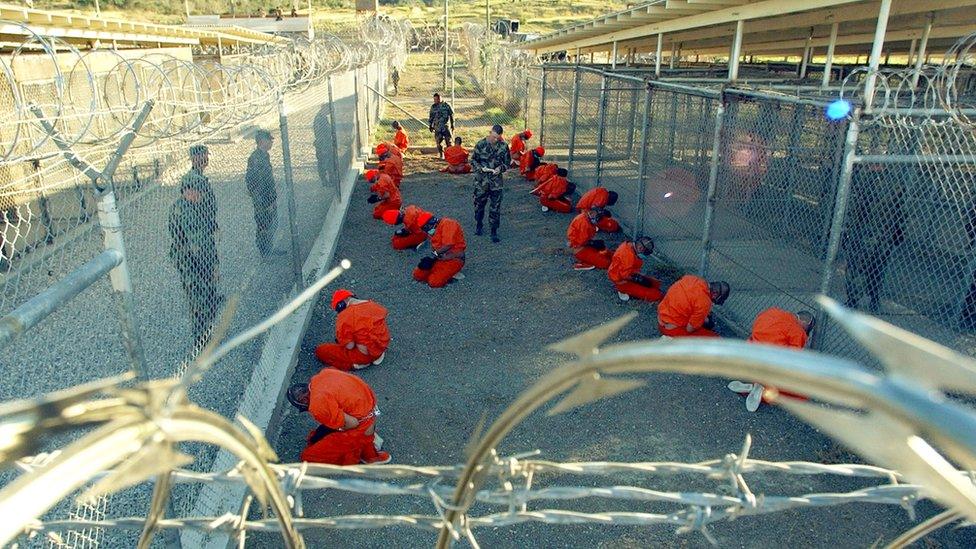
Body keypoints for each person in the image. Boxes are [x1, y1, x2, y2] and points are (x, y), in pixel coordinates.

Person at [168, 145, 223, 349]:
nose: (201, 197)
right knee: (199, 300)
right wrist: (212, 268)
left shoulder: (190, 206)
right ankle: (202, 341)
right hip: (193, 261)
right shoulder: (187, 212)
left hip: (195, 258)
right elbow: (199, 245)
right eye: (197, 193)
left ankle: (205, 333)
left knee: (203, 297)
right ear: (188, 191)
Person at [287, 369, 391, 465]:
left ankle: (360, 449)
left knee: (308, 456)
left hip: (360, 425)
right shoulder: (324, 375)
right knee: (317, 436)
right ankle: (367, 445)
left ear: (304, 402)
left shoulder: (317, 405)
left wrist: (337, 429)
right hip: (369, 413)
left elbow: (353, 423)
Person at [842, 167, 906, 313]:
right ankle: (871, 298)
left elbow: (856, 209)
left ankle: (856, 298)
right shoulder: (894, 182)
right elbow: (900, 210)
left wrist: (848, 231)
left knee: (861, 267)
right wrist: (898, 231)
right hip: (880, 234)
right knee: (876, 268)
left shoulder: (868, 181)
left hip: (868, 233)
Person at [727, 309, 815, 412]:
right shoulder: (798, 332)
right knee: (799, 393)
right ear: (805, 323)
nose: (806, 332)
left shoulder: (772, 311)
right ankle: (761, 389)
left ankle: (755, 384)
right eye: (807, 329)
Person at [314, 289, 391, 371]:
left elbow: (350, 346)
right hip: (381, 346)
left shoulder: (345, 316)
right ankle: (377, 355)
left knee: (321, 350)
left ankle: (357, 364)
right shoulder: (373, 304)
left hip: (365, 355)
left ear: (341, 305)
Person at [470, 125, 512, 243]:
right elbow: (473, 160)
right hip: (481, 182)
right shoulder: (481, 144)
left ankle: (494, 231)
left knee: (495, 208)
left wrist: (501, 168)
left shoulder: (503, 146)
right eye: (493, 137)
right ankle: (479, 224)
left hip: (496, 183)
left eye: (497, 138)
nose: (495, 140)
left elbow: (507, 162)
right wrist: (480, 168)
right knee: (479, 206)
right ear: (490, 133)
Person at [657, 275, 730, 338]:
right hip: (670, 330)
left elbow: (689, 301)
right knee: (715, 338)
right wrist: (703, 322)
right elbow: (689, 329)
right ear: (715, 294)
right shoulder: (705, 302)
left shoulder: (692, 279)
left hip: (661, 318)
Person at [245, 129, 278, 257]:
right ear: (263, 141)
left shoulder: (264, 156)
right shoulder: (255, 158)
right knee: (263, 224)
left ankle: (269, 248)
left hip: (268, 197)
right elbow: (254, 182)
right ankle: (264, 252)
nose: (271, 143)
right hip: (262, 199)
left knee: (270, 223)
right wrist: (265, 201)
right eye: (269, 140)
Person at [412, 214, 466, 288]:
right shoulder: (434, 228)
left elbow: (448, 245)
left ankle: (450, 275)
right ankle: (445, 273)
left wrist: (434, 254)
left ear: (430, 223)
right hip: (440, 257)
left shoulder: (448, 224)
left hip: (454, 257)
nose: (426, 231)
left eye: (425, 228)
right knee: (417, 275)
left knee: (434, 282)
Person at [608, 237, 663, 302]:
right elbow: (624, 276)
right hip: (621, 281)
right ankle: (622, 290)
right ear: (640, 248)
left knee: (654, 283)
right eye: (644, 252)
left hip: (624, 273)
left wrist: (639, 277)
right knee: (657, 295)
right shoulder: (629, 258)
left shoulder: (628, 245)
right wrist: (638, 280)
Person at [428, 93, 455, 158]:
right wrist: (430, 125)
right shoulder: (433, 106)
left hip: (446, 127)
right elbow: (431, 116)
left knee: (449, 142)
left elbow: (451, 115)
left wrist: (452, 125)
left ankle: (450, 155)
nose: (435, 100)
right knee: (438, 143)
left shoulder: (447, 105)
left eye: (437, 99)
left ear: (440, 98)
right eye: (434, 99)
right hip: (437, 127)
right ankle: (441, 154)